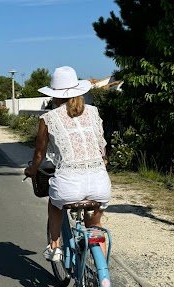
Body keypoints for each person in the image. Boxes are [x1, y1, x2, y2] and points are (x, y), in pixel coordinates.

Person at [24, 65, 111, 262]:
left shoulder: (48, 118)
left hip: (69, 185)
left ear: (55, 95)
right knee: (95, 226)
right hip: (100, 183)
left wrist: (32, 170)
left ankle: (54, 245)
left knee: (55, 205)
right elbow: (101, 146)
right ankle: (101, 268)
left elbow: (39, 153)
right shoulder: (94, 112)